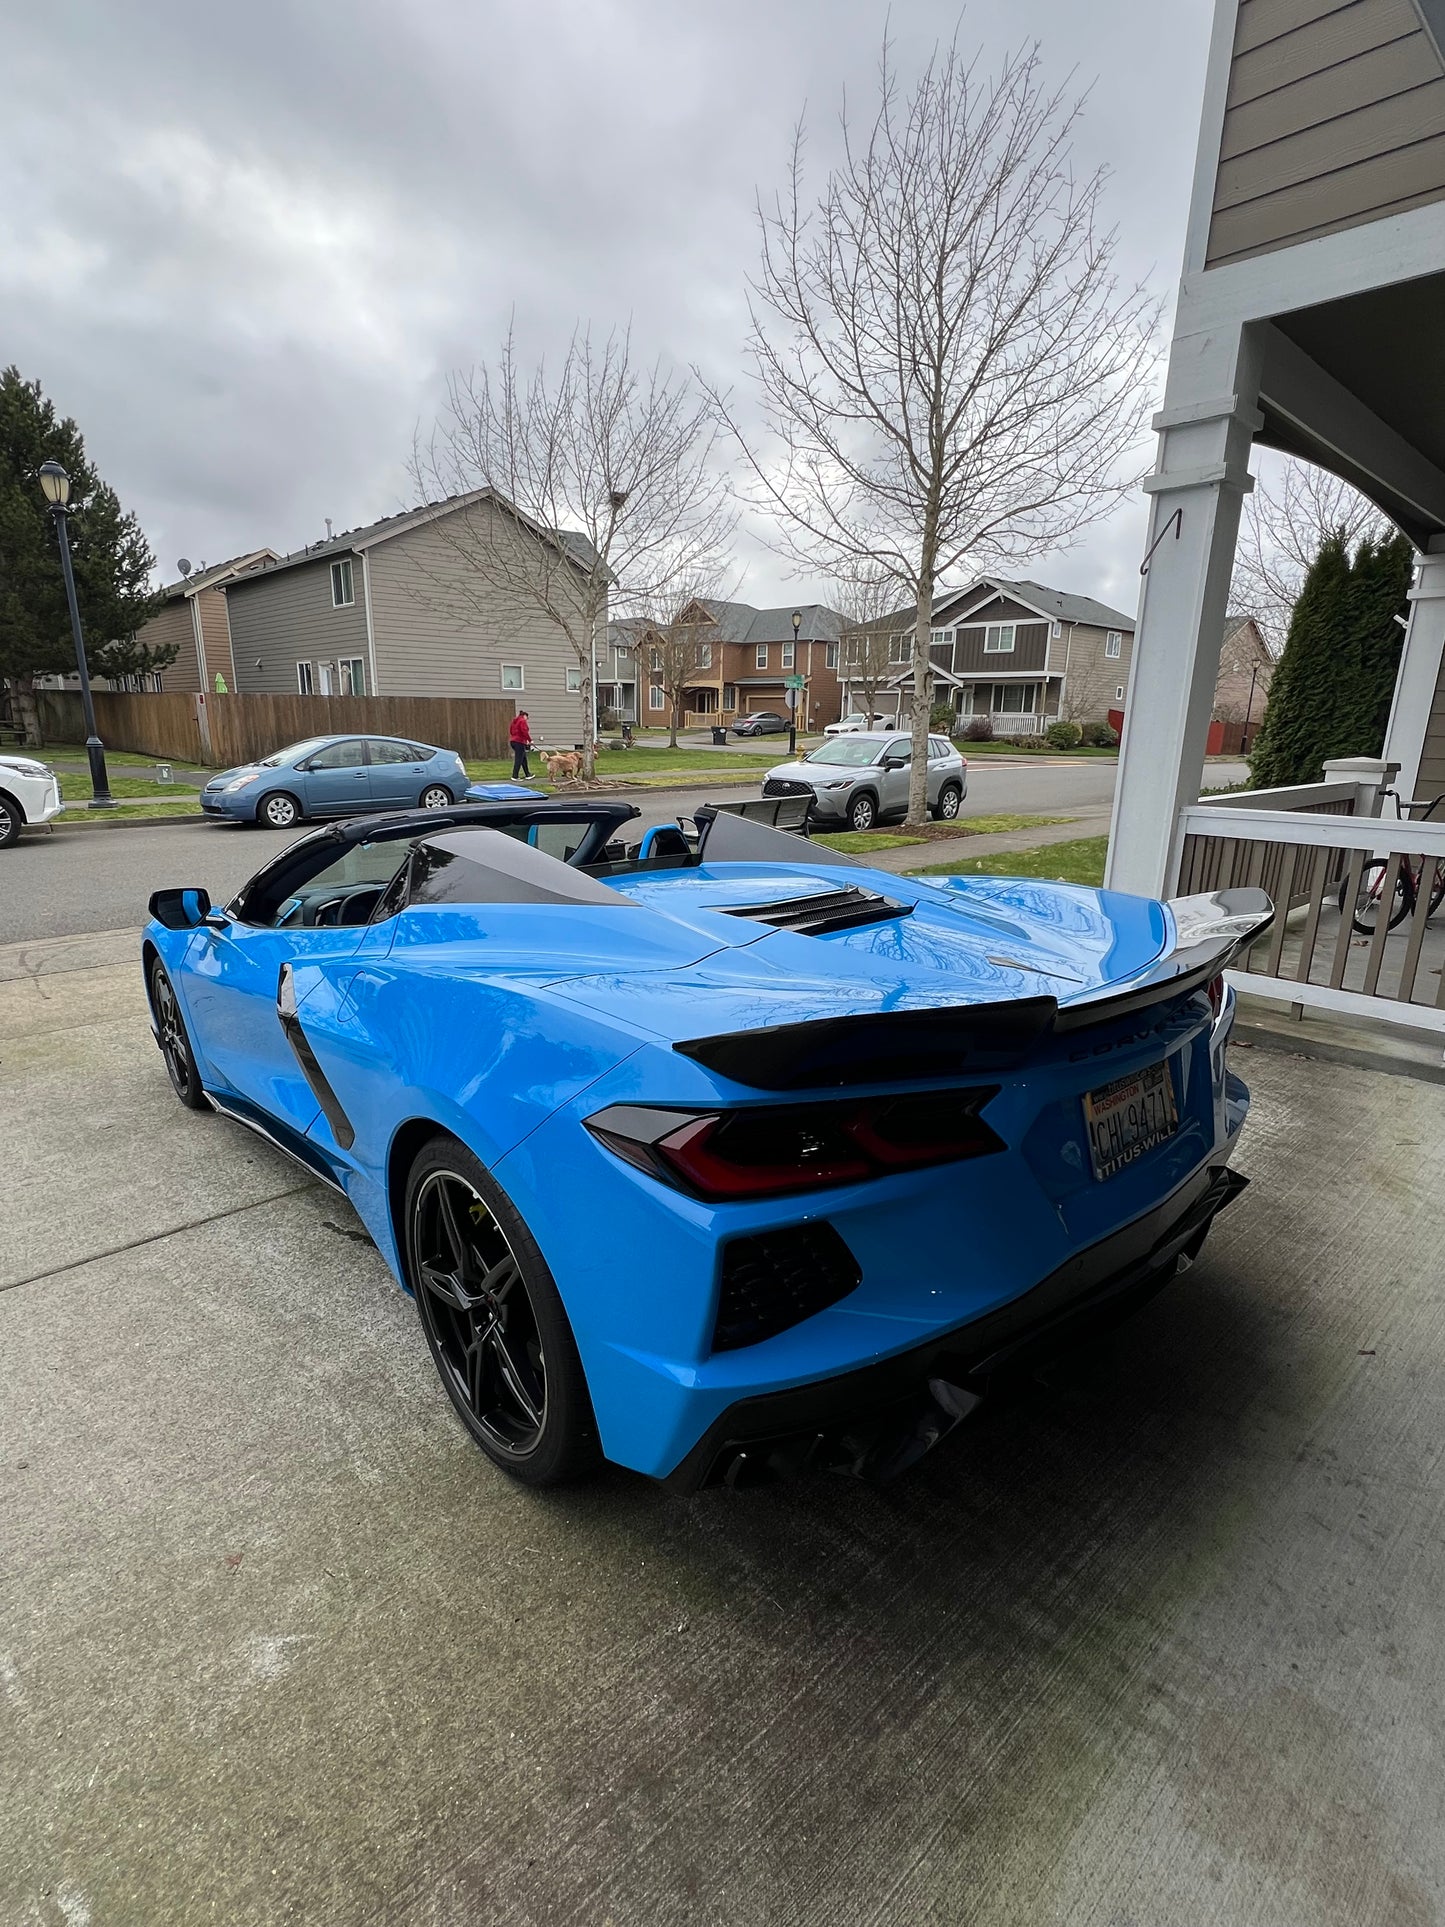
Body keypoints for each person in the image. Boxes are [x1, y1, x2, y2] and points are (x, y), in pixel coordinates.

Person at [509, 709, 532, 779]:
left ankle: (527, 774)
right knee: (518, 759)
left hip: (513, 741)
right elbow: (524, 731)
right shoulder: (522, 721)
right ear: (525, 716)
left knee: (523, 758)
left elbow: (511, 730)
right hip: (519, 742)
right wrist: (530, 740)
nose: (527, 719)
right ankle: (514, 776)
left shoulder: (514, 721)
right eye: (527, 718)